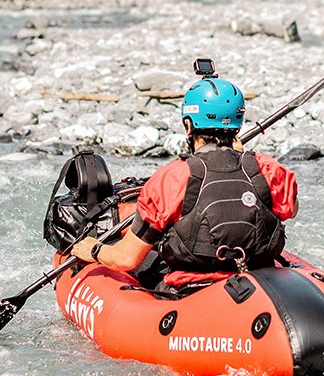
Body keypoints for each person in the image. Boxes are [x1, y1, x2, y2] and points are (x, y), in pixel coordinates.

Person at [70, 76, 298, 287]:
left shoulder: (170, 178)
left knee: (148, 257)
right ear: (238, 125)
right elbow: (291, 209)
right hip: (260, 280)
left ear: (188, 126)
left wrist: (95, 249)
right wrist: (244, 158)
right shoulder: (268, 169)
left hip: (192, 290)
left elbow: (126, 259)